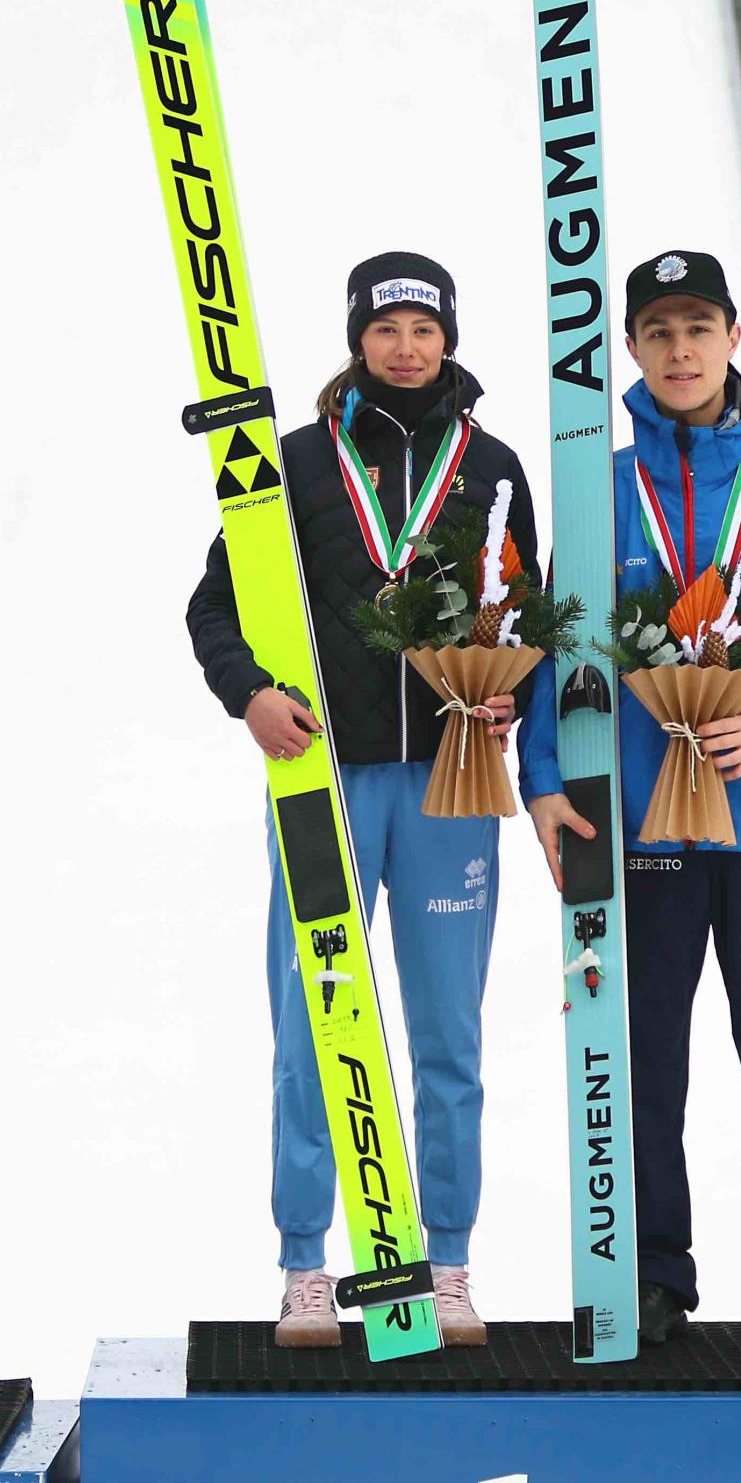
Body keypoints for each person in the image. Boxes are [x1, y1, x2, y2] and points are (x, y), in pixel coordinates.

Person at [517, 250, 741, 1356]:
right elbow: (557, 645)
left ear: (732, 335)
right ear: (629, 349)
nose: (679, 352)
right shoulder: (600, 486)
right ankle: (651, 1275)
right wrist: (540, 776)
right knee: (638, 1059)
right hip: (641, 821)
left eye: (698, 328)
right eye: (657, 333)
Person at [188, 251, 539, 1347]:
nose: (405, 347)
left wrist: (504, 695)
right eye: (384, 328)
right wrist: (250, 696)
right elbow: (214, 607)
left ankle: (445, 1263)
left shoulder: (491, 464)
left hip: (450, 785)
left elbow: (525, 604)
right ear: (357, 337)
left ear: (447, 339)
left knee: (446, 1034)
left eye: (422, 329)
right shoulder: (292, 464)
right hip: (324, 780)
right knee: (310, 1023)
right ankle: (306, 1264)